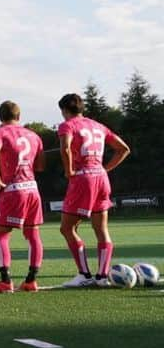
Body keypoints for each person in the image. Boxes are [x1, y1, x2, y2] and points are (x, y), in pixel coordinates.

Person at [56, 93, 130, 288]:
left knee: (67, 228)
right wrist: (106, 169)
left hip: (83, 179)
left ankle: (84, 274)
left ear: (64, 110)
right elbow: (124, 149)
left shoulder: (67, 125)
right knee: (101, 230)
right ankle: (102, 277)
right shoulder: (98, 126)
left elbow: (65, 148)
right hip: (101, 178)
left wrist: (69, 170)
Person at [0, 101, 46, 293]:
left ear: (0, 117)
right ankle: (31, 280)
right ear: (19, 116)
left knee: (1, 235)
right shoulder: (34, 136)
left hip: (13, 189)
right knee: (33, 235)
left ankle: (5, 281)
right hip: (33, 189)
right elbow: (41, 166)